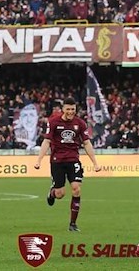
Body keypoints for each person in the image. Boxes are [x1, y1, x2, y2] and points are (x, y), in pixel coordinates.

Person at [34, 97, 101, 231]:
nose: (70, 112)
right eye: (68, 109)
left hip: (73, 160)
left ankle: (73, 224)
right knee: (60, 194)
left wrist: (95, 163)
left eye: (73, 109)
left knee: (76, 189)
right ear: (63, 109)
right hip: (57, 161)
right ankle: (52, 193)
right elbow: (47, 142)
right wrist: (39, 160)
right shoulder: (53, 122)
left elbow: (86, 143)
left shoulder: (80, 123)